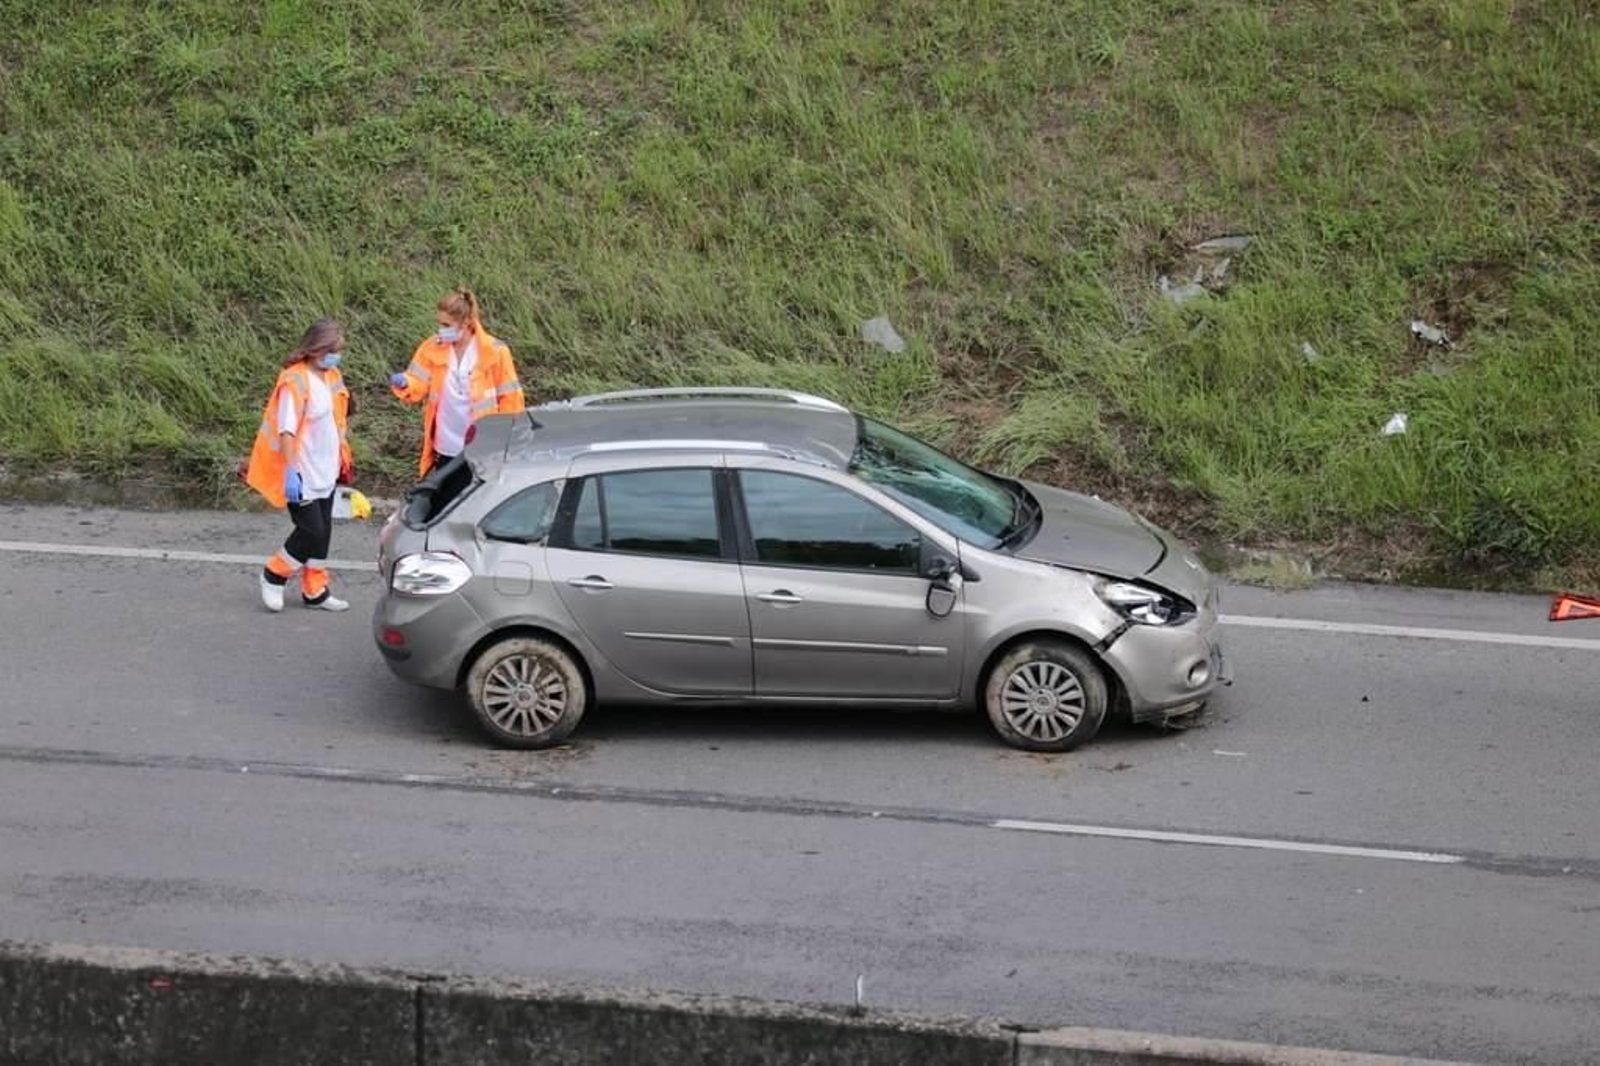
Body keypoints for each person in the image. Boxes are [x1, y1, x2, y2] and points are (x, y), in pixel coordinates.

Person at [244, 318, 354, 614]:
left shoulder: (332, 376)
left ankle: (315, 590)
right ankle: (273, 574)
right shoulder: (294, 381)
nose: (337, 356)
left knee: (324, 532)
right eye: (333, 351)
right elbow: (287, 432)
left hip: (326, 471)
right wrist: (292, 471)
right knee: (312, 531)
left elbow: (338, 419)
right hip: (302, 473)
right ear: (317, 349)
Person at [389, 287, 525, 477]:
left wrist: (507, 439)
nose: (441, 330)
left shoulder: (495, 352)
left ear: (467, 322)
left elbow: (511, 400)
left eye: (447, 325)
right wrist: (406, 383)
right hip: (446, 444)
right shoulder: (432, 347)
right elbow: (418, 382)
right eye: (440, 324)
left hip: (482, 445)